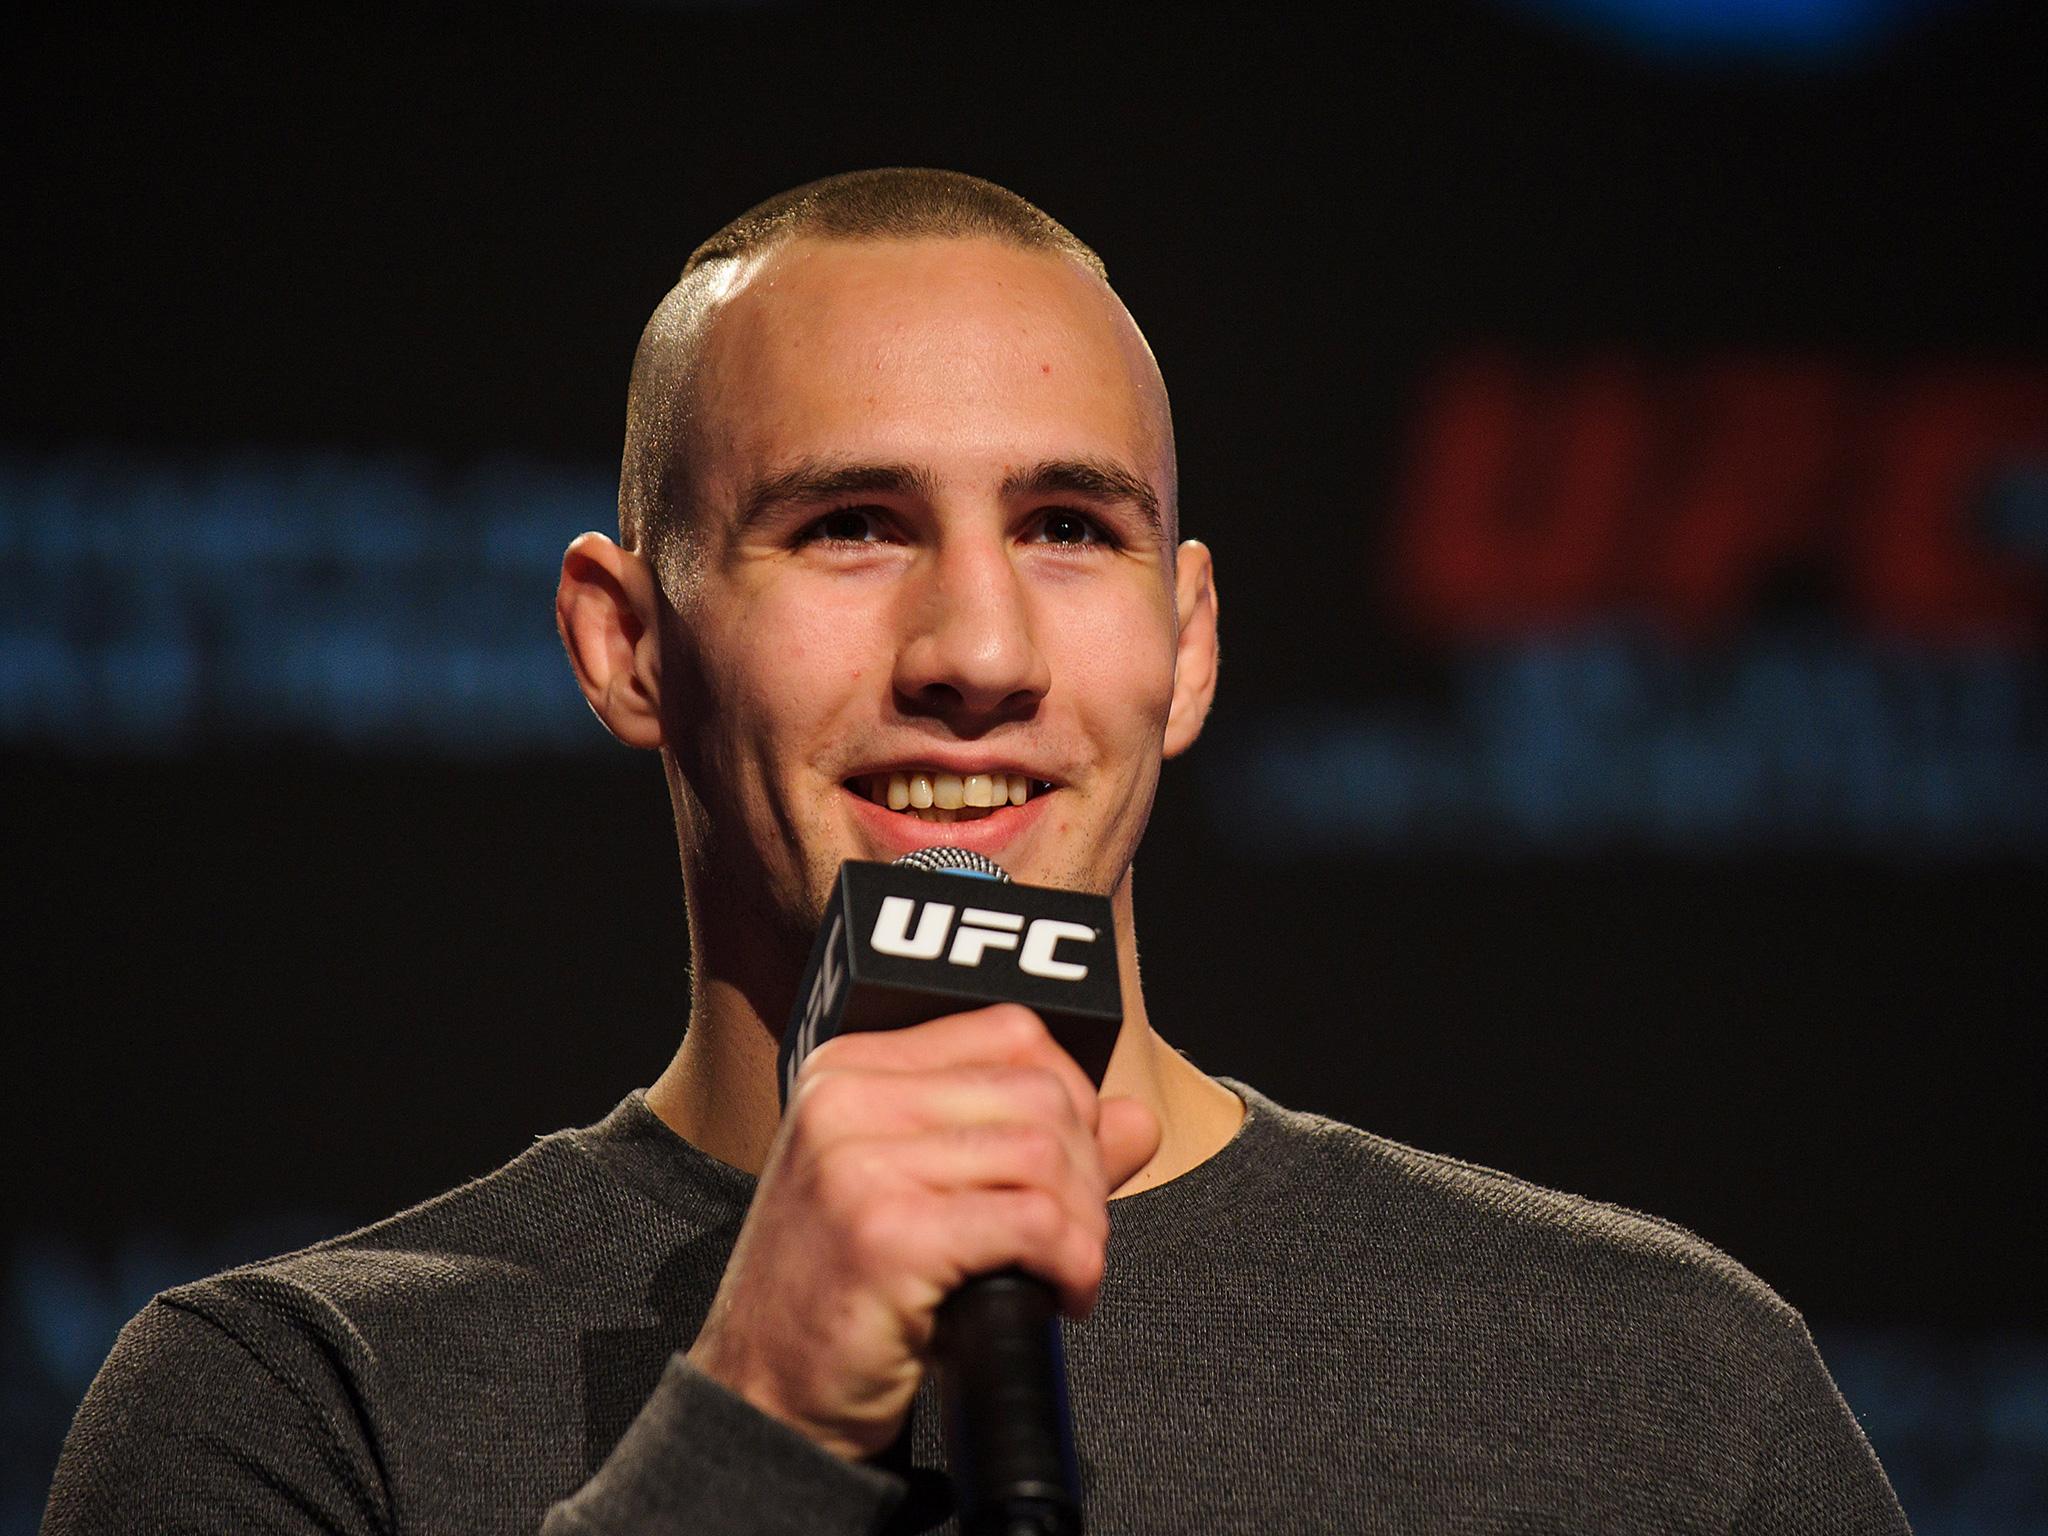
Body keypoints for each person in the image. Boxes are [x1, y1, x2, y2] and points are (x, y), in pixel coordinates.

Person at [43, 169, 1910, 1534]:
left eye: (1070, 531)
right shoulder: (295, 1410)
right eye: (851, 525)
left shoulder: (1657, 1385)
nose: (980, 655)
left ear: (1185, 645)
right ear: (627, 643)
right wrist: (753, 1427)